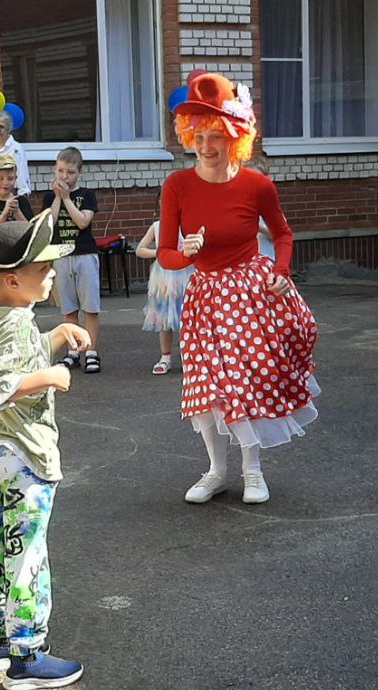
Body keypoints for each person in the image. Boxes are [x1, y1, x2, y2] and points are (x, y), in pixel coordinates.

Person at [159, 73, 319, 505]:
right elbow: (165, 255)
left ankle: (252, 470)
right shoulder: (177, 185)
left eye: (217, 137)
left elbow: (283, 234)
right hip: (205, 297)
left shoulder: (256, 184)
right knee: (205, 388)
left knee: (245, 383)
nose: (207, 147)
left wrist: (282, 271)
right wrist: (188, 253)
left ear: (236, 137)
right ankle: (215, 470)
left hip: (250, 294)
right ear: (188, 135)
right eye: (199, 136)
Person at [0, 210, 88, 690]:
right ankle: (28, 656)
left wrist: (54, 338)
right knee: (27, 554)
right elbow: (0, 386)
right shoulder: (14, 323)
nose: (52, 273)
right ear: (14, 278)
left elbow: (11, 354)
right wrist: (53, 376)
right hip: (22, 458)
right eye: (43, 269)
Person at [42, 146, 102, 373]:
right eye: (60, 171)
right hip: (61, 256)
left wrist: (67, 198)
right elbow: (51, 223)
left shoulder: (87, 195)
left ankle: (92, 351)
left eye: (70, 172)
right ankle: (73, 351)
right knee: (68, 307)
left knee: (90, 307)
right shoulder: (50, 197)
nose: (64, 176)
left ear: (80, 173)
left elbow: (82, 222)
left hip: (85, 255)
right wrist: (58, 198)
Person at [136, 213, 195, 375]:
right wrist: (160, 253)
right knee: (164, 318)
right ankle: (165, 357)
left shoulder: (190, 224)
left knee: (188, 317)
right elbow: (140, 249)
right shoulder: (157, 226)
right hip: (164, 278)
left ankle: (189, 357)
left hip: (187, 275)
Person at [0, 155, 33, 231]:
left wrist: (16, 211)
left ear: (15, 178)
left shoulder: (22, 201)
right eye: (0, 179)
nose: (5, 182)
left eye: (10, 178)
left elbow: (30, 230)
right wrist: (5, 212)